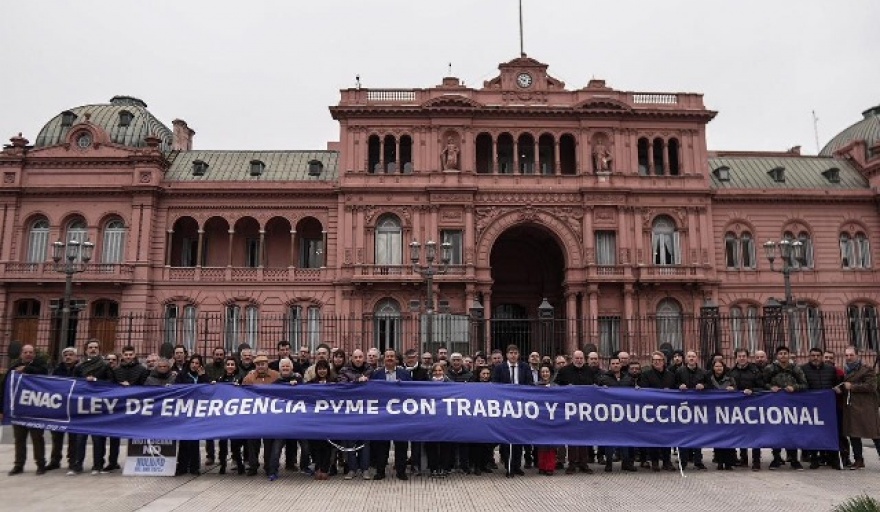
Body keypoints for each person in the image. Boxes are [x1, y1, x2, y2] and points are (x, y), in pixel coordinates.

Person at [7, 344, 49, 476]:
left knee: (37, 438)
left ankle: (41, 464)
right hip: (19, 411)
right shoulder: (13, 368)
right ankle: (18, 465)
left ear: (34, 355)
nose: (28, 354)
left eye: (31, 352)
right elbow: (5, 387)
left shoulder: (40, 366)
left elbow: (44, 373)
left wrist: (26, 369)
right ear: (21, 354)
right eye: (26, 352)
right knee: (19, 439)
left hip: (35, 411)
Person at [73, 339, 114, 475]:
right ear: (86, 350)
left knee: (98, 439)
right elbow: (73, 384)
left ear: (99, 350)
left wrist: (96, 381)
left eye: (95, 347)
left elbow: (110, 383)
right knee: (80, 438)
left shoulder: (104, 365)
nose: (93, 349)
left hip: (98, 406)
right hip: (83, 406)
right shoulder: (79, 367)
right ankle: (77, 464)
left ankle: (98, 465)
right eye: (90, 347)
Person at [492, 344, 533, 478]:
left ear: (519, 355)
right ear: (507, 355)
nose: (513, 355)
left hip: (520, 407)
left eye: (516, 353)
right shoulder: (500, 368)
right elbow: (495, 386)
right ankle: (508, 465)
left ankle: (516, 465)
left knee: (518, 438)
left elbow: (530, 385)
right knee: (507, 438)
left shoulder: (525, 368)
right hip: (505, 407)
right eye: (511, 353)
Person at [835, 346, 880, 470]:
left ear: (857, 355)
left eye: (851, 355)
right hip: (851, 408)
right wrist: (841, 390)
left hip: (866, 407)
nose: (849, 358)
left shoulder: (867, 370)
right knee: (854, 434)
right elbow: (846, 387)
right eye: (847, 355)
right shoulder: (846, 371)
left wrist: (853, 387)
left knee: (875, 434)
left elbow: (871, 386)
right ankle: (858, 460)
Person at [370, 350, 412, 481]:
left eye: (392, 356)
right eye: (387, 356)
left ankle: (401, 471)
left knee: (401, 444)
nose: (389, 358)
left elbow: (412, 392)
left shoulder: (405, 374)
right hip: (383, 415)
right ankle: (380, 471)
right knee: (382, 444)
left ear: (396, 359)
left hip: (400, 415)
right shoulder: (376, 374)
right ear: (383, 359)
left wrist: (403, 387)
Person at [555, 350, 599, 474]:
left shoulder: (589, 371)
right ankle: (572, 463)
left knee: (584, 436)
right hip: (570, 409)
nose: (579, 360)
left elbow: (596, 385)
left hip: (585, 410)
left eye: (581, 358)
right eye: (577, 358)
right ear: (572, 359)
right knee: (572, 437)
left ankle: (583, 463)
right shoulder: (564, 371)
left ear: (584, 359)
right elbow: (556, 386)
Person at [764, 345, 807, 470]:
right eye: (780, 353)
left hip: (792, 406)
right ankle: (776, 457)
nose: (783, 355)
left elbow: (804, 384)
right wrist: (770, 388)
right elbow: (762, 383)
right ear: (777, 356)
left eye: (785, 353)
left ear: (789, 355)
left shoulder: (796, 369)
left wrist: (795, 388)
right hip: (775, 406)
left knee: (792, 431)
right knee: (775, 431)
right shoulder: (770, 368)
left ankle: (794, 459)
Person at [241, 352, 281, 479]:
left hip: (271, 416)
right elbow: (242, 393)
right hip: (255, 415)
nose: (261, 366)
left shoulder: (276, 376)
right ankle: (253, 465)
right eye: (258, 364)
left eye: (263, 364)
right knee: (252, 442)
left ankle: (269, 466)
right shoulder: (249, 378)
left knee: (269, 442)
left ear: (267, 364)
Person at [801, 346, 841, 469]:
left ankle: (833, 458)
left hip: (828, 406)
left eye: (818, 355)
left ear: (821, 357)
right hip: (811, 407)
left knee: (830, 432)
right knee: (813, 433)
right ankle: (814, 459)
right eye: (813, 355)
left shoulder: (831, 369)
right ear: (809, 356)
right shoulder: (803, 369)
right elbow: (802, 385)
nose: (815, 358)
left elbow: (836, 384)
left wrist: (837, 389)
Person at [339, 349, 373, 480]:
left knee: (365, 442)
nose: (358, 359)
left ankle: (365, 469)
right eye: (356, 357)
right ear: (351, 358)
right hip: (350, 411)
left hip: (365, 411)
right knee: (350, 442)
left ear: (363, 358)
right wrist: (358, 379)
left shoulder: (370, 369)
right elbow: (342, 384)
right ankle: (352, 469)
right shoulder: (344, 370)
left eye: (360, 357)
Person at [640, 351, 676, 472]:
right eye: (655, 360)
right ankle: (654, 461)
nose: (657, 362)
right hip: (652, 410)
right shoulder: (646, 375)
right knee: (653, 437)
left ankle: (667, 461)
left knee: (667, 436)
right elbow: (644, 391)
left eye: (659, 360)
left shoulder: (670, 375)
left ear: (663, 362)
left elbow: (675, 391)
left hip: (666, 411)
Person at [728, 348, 764, 470]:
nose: (742, 358)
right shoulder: (731, 372)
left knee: (754, 434)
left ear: (747, 357)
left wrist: (752, 390)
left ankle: (756, 460)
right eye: (739, 356)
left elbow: (762, 387)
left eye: (744, 356)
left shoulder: (755, 371)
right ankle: (743, 458)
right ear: (736, 358)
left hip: (753, 405)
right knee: (741, 433)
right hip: (738, 407)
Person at [598, 356, 636, 472]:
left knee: (625, 439)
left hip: (625, 414)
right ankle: (608, 463)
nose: (615, 365)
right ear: (610, 366)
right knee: (609, 440)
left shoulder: (628, 379)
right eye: (613, 363)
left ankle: (626, 463)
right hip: (609, 414)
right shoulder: (603, 379)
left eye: (617, 363)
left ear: (620, 365)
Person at [175, 354, 210, 476]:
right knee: (184, 440)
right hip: (184, 410)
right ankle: (182, 466)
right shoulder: (182, 375)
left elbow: (208, 390)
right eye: (193, 363)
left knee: (194, 440)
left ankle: (194, 467)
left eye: (197, 363)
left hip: (197, 411)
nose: (194, 365)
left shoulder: (202, 376)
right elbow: (176, 389)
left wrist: (203, 376)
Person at [675, 350, 708, 470]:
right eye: (689, 357)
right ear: (686, 359)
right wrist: (679, 386)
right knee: (683, 434)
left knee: (697, 434)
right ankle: (682, 461)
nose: (691, 358)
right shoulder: (679, 371)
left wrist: (704, 386)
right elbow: (674, 384)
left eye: (693, 356)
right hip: (683, 407)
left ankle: (698, 460)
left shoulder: (703, 372)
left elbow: (709, 386)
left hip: (698, 408)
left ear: (697, 358)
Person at [47, 347, 79, 472]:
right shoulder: (57, 370)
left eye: (71, 355)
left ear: (76, 357)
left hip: (74, 410)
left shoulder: (79, 370)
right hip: (59, 409)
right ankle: (55, 460)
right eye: (66, 355)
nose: (68, 357)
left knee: (73, 438)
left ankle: (72, 461)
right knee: (56, 437)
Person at [214, 356, 245, 474]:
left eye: (232, 364)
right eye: (228, 364)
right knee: (222, 443)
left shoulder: (240, 378)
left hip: (235, 415)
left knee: (235, 443)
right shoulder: (221, 379)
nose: (230, 366)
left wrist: (240, 388)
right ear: (225, 366)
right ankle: (222, 464)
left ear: (236, 366)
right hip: (223, 416)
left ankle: (239, 464)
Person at [308, 360, 336, 480]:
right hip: (315, 420)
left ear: (328, 370)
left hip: (329, 420)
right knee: (315, 445)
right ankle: (318, 467)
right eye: (320, 368)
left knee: (327, 445)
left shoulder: (334, 383)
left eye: (324, 368)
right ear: (316, 370)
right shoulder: (310, 384)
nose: (322, 371)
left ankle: (325, 469)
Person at [708, 360, 738, 470]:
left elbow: (737, 392)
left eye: (720, 366)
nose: (718, 368)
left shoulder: (730, 379)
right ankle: (719, 461)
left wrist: (733, 390)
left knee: (729, 436)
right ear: (713, 368)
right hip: (714, 411)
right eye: (716, 366)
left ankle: (729, 461)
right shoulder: (709, 379)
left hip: (728, 411)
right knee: (718, 437)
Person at [426, 363, 452, 477]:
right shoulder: (426, 384)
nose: (437, 373)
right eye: (435, 371)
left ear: (443, 371)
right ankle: (433, 468)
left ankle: (444, 467)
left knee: (445, 445)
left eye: (440, 370)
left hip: (446, 419)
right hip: (430, 420)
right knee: (431, 445)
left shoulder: (450, 384)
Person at [534, 365, 559, 475]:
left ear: (550, 373)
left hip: (553, 418)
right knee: (541, 444)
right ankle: (542, 466)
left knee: (551, 444)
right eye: (543, 372)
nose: (545, 374)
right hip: (540, 418)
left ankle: (550, 467)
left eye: (547, 372)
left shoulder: (556, 387)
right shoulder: (535, 386)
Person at [469, 366, 495, 475]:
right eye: (483, 374)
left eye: (487, 374)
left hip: (489, 418)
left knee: (487, 445)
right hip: (476, 418)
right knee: (477, 445)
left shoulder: (493, 386)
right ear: (479, 374)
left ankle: (485, 464)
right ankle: (476, 466)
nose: (485, 376)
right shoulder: (473, 385)